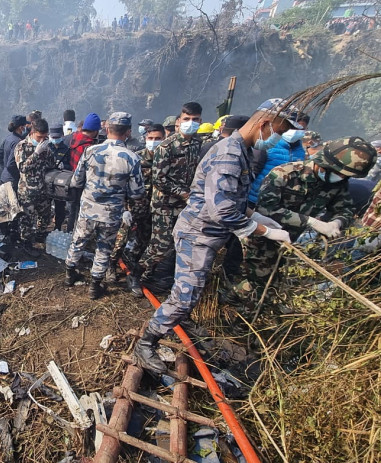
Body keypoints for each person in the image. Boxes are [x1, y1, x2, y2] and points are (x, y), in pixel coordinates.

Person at [134, 98, 300, 374]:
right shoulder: (229, 155)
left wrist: (260, 218)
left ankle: (178, 318)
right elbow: (222, 210)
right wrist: (265, 231)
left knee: (187, 290)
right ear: (265, 124)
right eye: (279, 132)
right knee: (186, 294)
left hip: (208, 234)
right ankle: (147, 342)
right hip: (198, 234)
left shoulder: (242, 151)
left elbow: (235, 202)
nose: (278, 139)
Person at [235, 137, 377, 301]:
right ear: (326, 164)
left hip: (291, 244)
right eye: (339, 173)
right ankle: (236, 316)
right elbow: (266, 209)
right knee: (254, 286)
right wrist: (311, 222)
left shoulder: (338, 184)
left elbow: (344, 209)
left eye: (345, 176)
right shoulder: (285, 174)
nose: (341, 178)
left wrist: (336, 222)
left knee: (274, 288)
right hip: (261, 239)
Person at [64, 112, 145, 299]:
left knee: (78, 240)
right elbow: (137, 193)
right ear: (128, 132)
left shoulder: (90, 151)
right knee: (103, 248)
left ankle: (69, 274)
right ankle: (94, 286)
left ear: (106, 129)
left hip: (88, 209)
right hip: (111, 213)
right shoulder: (132, 158)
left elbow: (76, 181)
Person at [133, 102, 204, 296]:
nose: (191, 123)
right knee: (160, 245)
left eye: (195, 119)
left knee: (178, 244)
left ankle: (157, 277)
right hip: (163, 204)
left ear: (200, 120)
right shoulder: (167, 147)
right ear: (179, 122)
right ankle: (136, 274)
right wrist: (185, 193)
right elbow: (159, 180)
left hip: (184, 205)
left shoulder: (198, 145)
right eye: (187, 119)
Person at [107, 123, 165, 285]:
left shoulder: (167, 159)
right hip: (133, 208)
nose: (154, 141)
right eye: (151, 138)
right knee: (120, 239)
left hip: (155, 210)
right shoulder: (136, 158)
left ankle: (136, 267)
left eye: (158, 138)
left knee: (144, 240)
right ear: (146, 138)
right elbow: (122, 184)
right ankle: (111, 265)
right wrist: (125, 208)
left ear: (164, 139)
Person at [248, 113, 310, 205]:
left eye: (300, 128)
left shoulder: (301, 152)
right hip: (253, 199)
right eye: (292, 127)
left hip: (275, 203)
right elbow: (253, 170)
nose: (295, 131)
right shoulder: (268, 144)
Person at [15, 118, 52, 256]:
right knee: (27, 220)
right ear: (32, 132)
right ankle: (27, 244)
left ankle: (41, 236)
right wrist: (36, 153)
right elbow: (23, 168)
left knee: (45, 216)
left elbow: (50, 164)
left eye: (44, 137)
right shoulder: (21, 146)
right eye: (39, 137)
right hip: (27, 191)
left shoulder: (45, 145)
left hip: (42, 189)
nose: (42, 139)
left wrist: (48, 151)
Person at [66, 112, 101, 231]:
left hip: (71, 179)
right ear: (95, 130)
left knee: (73, 209)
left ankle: (70, 231)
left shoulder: (74, 138)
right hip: (84, 184)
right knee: (81, 212)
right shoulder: (90, 147)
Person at [48, 124, 71, 230]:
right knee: (45, 206)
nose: (55, 140)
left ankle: (57, 226)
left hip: (59, 184)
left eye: (57, 137)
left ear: (62, 135)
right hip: (47, 182)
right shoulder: (47, 148)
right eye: (53, 138)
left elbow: (71, 167)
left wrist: (63, 166)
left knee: (60, 207)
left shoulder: (66, 149)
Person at [0, 115, 27, 189]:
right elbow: (11, 164)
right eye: (24, 125)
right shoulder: (18, 142)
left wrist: (5, 169)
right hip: (13, 181)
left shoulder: (9, 138)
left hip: (4, 177)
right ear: (21, 127)